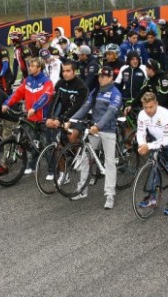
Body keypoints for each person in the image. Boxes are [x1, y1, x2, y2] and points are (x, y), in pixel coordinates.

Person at [65, 66, 122, 209]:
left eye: (104, 76)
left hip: (108, 130)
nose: (100, 78)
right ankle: (82, 190)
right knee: (85, 159)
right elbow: (85, 107)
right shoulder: (96, 91)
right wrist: (70, 120)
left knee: (109, 163)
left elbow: (110, 112)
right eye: (99, 76)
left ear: (111, 78)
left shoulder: (116, 93)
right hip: (93, 129)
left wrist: (99, 125)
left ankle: (110, 195)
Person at [2, 58, 54, 174]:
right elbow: (17, 94)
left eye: (32, 66)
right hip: (30, 118)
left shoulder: (47, 82)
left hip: (43, 119)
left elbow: (45, 97)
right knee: (33, 142)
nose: (29, 68)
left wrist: (35, 108)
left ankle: (51, 170)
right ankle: (33, 164)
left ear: (39, 68)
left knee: (46, 144)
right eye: (29, 65)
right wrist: (7, 103)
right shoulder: (27, 81)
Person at [136, 92, 168, 215]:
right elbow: (140, 132)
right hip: (157, 140)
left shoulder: (165, 115)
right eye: (145, 107)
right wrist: (142, 144)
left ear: (156, 104)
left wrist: (149, 146)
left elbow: (167, 140)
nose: (148, 110)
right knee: (154, 167)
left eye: (151, 107)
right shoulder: (142, 115)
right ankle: (152, 197)